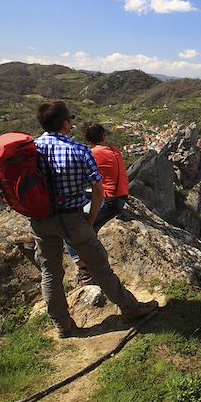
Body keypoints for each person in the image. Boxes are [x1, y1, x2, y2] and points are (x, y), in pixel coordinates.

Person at [31, 101, 157, 338]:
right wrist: (90, 218)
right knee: (100, 266)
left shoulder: (31, 150)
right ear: (66, 124)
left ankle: (62, 324)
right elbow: (98, 190)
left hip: (40, 220)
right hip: (72, 217)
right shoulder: (79, 151)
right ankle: (130, 308)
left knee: (50, 272)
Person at [66, 122, 130, 286]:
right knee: (84, 196)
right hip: (120, 197)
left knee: (72, 229)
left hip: (109, 201)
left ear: (87, 139)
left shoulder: (91, 153)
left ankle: (85, 272)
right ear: (103, 136)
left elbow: (79, 177)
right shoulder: (114, 151)